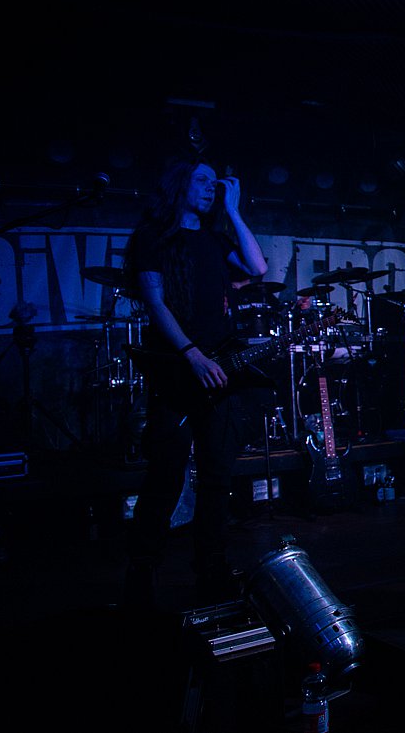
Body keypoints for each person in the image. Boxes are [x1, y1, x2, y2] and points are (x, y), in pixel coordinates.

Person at [121, 157, 268, 611]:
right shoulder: (152, 236)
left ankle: (212, 567)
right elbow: (155, 302)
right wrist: (191, 354)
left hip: (220, 367)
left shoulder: (215, 238)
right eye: (202, 180)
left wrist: (234, 210)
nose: (211, 187)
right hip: (178, 367)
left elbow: (257, 267)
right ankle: (141, 570)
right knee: (165, 476)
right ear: (179, 184)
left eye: (213, 182)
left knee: (217, 476)